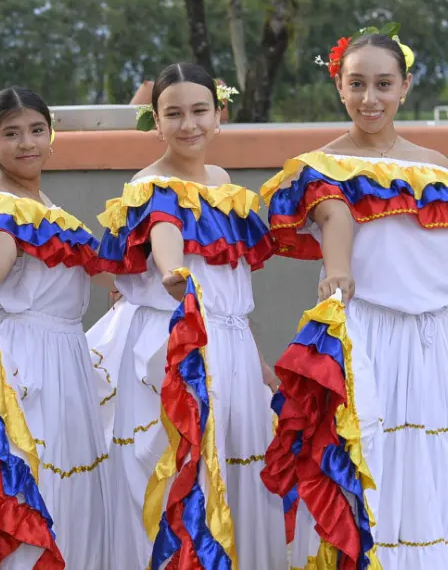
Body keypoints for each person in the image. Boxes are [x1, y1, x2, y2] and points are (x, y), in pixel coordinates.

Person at [260, 27, 448, 569]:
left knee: (436, 478)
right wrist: (338, 272)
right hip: (368, 343)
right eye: (357, 84)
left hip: (436, 345)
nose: (370, 98)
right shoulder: (322, 167)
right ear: (339, 88)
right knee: (374, 473)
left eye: (383, 84)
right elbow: (333, 216)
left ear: (406, 86)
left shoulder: (437, 167)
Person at [87, 63, 285, 569]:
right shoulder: (151, 183)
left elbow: (229, 295)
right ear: (154, 121)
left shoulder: (222, 183)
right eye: (173, 113)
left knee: (238, 472)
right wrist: (173, 271)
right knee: (174, 475)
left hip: (232, 345)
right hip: (177, 345)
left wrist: (256, 360)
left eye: (199, 111)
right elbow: (164, 233)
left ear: (220, 114)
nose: (188, 124)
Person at [0, 86, 112, 569]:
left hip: (66, 360)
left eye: (36, 130)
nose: (27, 142)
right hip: (28, 362)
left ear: (51, 135)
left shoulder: (44, 204)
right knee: (33, 489)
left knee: (68, 493)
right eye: (11, 134)